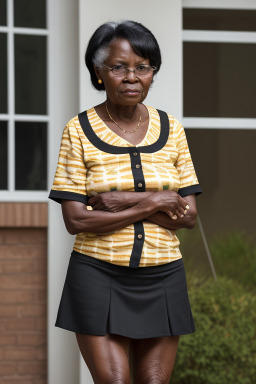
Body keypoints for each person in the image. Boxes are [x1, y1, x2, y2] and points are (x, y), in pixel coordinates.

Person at [49, 20, 202, 384]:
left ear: (152, 74)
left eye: (143, 67)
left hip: (163, 275)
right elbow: (77, 220)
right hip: (97, 274)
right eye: (119, 67)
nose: (132, 77)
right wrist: (155, 202)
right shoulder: (78, 130)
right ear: (99, 73)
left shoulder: (173, 129)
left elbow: (189, 215)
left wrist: (122, 201)